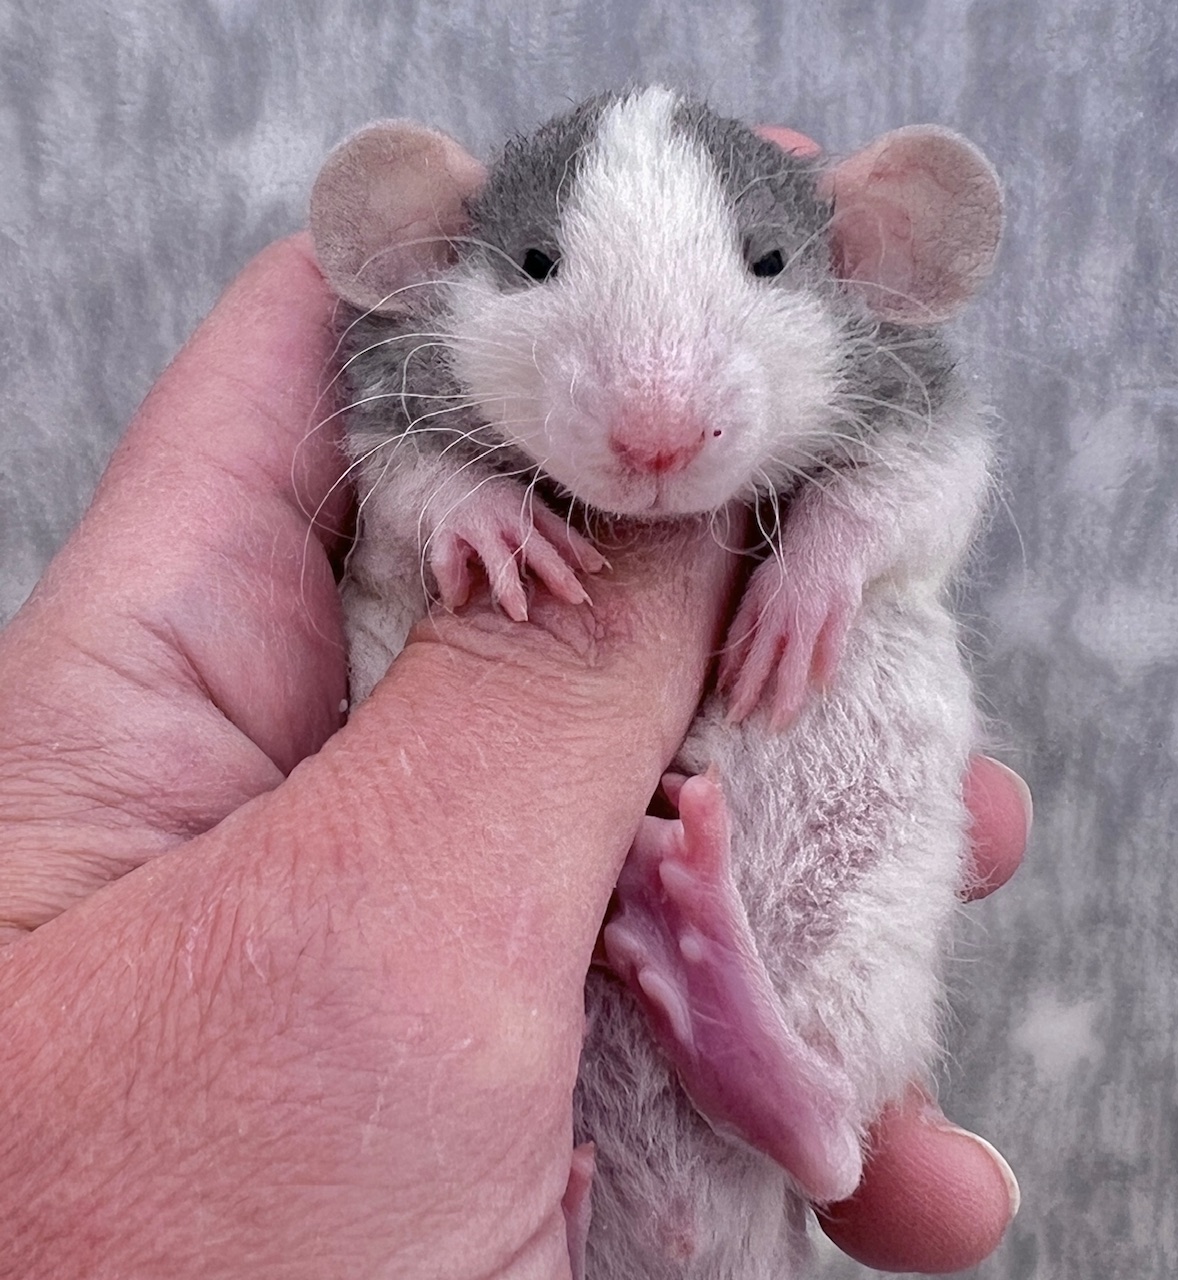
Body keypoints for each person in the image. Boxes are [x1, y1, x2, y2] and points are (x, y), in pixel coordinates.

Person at [0, 233, 1029, 1277]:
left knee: (887, 790)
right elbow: (392, 461)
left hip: (688, 955)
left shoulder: (873, 370)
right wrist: (459, 503)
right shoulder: (421, 382)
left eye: (762, 266)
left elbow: (934, 458)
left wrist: (835, 545)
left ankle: (803, 1094)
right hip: (531, 1045)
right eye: (541, 265)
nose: (658, 433)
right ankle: (778, 1108)